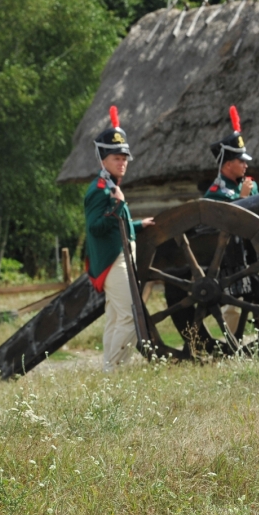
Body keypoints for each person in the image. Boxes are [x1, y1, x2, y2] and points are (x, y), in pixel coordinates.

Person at [84, 106, 154, 372]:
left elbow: (117, 225)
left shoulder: (111, 186)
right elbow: (95, 228)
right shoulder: (99, 190)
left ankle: (110, 372)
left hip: (120, 256)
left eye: (124, 157)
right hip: (113, 261)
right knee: (130, 317)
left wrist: (137, 224)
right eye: (116, 158)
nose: (122, 162)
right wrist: (117, 206)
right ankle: (114, 370)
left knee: (115, 318)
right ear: (103, 159)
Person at [204, 106, 259, 336]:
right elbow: (222, 218)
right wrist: (243, 198)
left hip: (253, 252)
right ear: (228, 164)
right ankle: (232, 344)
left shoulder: (248, 185)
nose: (246, 165)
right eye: (241, 161)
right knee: (233, 307)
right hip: (229, 258)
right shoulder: (217, 191)